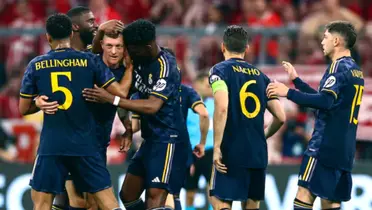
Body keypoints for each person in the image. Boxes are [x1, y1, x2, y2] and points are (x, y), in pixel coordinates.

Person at [19, 13, 128, 210]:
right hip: (85, 144)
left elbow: (23, 108)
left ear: (47, 37)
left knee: (42, 204)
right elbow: (120, 92)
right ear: (71, 33)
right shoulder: (90, 61)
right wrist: (130, 69)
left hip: (52, 145)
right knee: (108, 204)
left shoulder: (36, 65)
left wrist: (38, 101)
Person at [82, 19, 189, 210]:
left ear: (147, 47)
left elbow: (152, 106)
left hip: (168, 139)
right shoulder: (139, 57)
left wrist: (111, 99)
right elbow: (95, 58)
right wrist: (128, 126)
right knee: (127, 195)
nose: (127, 52)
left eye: (131, 48)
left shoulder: (166, 67)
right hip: (150, 139)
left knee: (154, 200)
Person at [267, 21, 363, 210]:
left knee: (304, 193)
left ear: (336, 41)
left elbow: (324, 102)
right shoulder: (355, 70)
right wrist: (297, 81)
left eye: (325, 37)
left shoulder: (337, 68)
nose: (322, 42)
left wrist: (288, 92)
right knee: (330, 200)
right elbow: (326, 101)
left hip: (324, 146)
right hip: (344, 147)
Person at [208, 25, 286, 210]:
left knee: (218, 200)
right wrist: (263, 136)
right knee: (252, 205)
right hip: (257, 152)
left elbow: (221, 107)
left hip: (231, 149)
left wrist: (217, 146)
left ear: (223, 47)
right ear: (247, 49)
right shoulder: (262, 77)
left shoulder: (219, 71)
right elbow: (281, 117)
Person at [184, 72, 215, 210]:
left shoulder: (215, 105)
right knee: (190, 190)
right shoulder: (186, 105)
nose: (210, 89)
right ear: (197, 85)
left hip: (210, 151)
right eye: (207, 86)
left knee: (213, 189)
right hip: (192, 152)